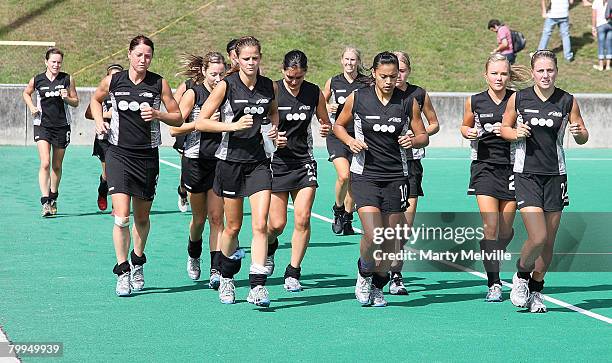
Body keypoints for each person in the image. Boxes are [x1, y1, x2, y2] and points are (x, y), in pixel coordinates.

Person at [90, 35, 183, 297]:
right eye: (139, 55)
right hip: (118, 154)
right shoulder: (113, 81)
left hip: (147, 157)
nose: (143, 60)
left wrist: (158, 114)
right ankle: (122, 271)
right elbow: (95, 101)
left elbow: (178, 117)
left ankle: (137, 260)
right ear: (129, 54)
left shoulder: (158, 83)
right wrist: (99, 122)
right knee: (121, 217)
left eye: (148, 56)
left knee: (141, 218)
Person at [334, 51, 429, 307]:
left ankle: (378, 285)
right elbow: (338, 126)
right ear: (374, 74)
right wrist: (349, 141)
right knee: (374, 234)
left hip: (397, 177)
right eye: (384, 76)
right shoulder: (358, 98)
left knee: (391, 241)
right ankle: (364, 273)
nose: (389, 81)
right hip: (365, 176)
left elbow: (424, 135)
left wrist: (413, 139)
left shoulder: (408, 102)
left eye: (394, 75)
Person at [195, 36, 280, 307]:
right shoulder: (226, 86)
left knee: (260, 223)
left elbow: (273, 113)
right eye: (246, 58)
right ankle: (228, 277)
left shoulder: (269, 86)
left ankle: (257, 286)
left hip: (258, 163)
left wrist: (274, 132)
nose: (251, 63)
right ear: (237, 60)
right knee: (232, 226)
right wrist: (231, 127)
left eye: (256, 58)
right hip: (230, 162)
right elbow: (201, 122)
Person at [500, 50, 588, 313]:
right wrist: (515, 132)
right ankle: (521, 276)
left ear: (557, 71)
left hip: (556, 175)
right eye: (540, 70)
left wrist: (579, 132)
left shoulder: (567, 101)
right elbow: (504, 129)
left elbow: (582, 134)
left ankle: (536, 290)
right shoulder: (519, 98)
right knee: (537, 236)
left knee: (548, 240)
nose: (545, 75)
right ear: (533, 72)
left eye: (550, 70)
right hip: (526, 174)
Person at [461, 53, 531, 302]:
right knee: (491, 226)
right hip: (484, 168)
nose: (499, 78)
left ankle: (490, 250)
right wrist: (468, 132)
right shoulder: (474, 101)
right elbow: (465, 125)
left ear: (509, 75)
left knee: (504, 230)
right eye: (494, 73)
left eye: (503, 73)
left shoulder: (519, 99)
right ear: (486, 75)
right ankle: (494, 283)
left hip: (514, 168)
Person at [265, 50, 331, 292]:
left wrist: (326, 129)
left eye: (299, 77)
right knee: (277, 225)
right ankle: (270, 246)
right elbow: (260, 124)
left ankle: (293, 272)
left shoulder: (313, 92)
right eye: (290, 77)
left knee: (302, 217)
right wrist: (272, 137)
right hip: (277, 162)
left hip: (304, 161)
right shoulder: (271, 89)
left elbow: (326, 122)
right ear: (283, 71)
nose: (294, 82)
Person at [169, 52, 227, 289]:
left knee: (217, 218)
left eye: (222, 74)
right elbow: (175, 129)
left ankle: (216, 269)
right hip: (195, 161)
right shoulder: (194, 93)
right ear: (203, 72)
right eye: (213, 74)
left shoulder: (227, 92)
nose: (218, 78)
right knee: (199, 219)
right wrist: (202, 122)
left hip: (220, 160)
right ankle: (194, 253)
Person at [386, 51, 440, 296]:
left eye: (402, 70)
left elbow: (434, 123)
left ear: (408, 71)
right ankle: (377, 268)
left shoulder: (418, 94)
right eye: (394, 71)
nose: (398, 76)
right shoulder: (378, 94)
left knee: (405, 227)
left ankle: (396, 274)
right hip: (384, 166)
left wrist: (418, 136)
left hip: (411, 165)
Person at [22, 47, 79, 217]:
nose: (56, 65)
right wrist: (32, 106)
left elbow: (76, 102)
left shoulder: (67, 79)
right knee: (45, 162)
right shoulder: (37, 79)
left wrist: (66, 98)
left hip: (62, 126)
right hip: (42, 125)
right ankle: (45, 201)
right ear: (46, 62)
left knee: (56, 165)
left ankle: (54, 196)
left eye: (59, 62)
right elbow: (26, 93)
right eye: (53, 61)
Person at [323, 47, 368, 235]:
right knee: (344, 175)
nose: (349, 63)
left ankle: (348, 218)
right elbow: (319, 104)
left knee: (354, 181)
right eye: (346, 59)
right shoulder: (334, 81)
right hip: (337, 136)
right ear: (341, 60)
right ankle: (338, 209)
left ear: (358, 62)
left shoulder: (366, 83)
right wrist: (327, 106)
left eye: (353, 60)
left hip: (358, 137)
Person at [85, 64, 124, 212]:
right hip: (105, 139)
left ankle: (117, 206)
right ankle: (102, 191)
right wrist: (104, 116)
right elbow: (88, 114)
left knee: (120, 173)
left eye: (118, 75)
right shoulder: (102, 94)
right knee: (108, 174)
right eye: (111, 75)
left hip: (123, 138)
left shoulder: (128, 93)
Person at [591, 0, 612, 70]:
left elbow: (594, 16)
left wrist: (593, 28)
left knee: (601, 45)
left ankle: (601, 66)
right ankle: (608, 65)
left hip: (600, 25)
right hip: (610, 25)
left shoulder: (596, 2)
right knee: (609, 44)